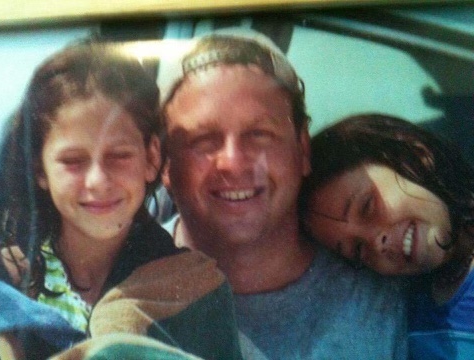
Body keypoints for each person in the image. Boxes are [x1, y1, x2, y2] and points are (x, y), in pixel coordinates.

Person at [158, 28, 408, 359]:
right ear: (164, 164)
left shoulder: (379, 303)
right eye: (203, 140)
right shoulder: (108, 292)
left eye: (260, 134)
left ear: (302, 149)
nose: (233, 163)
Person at [0, 41, 241, 360]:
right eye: (73, 160)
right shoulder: (6, 278)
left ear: (151, 157)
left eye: (119, 155)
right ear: (40, 169)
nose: (98, 181)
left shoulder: (197, 290)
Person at [301, 113, 474, 359]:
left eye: (367, 207)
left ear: (415, 157)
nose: (376, 242)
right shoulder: (412, 305)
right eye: (358, 250)